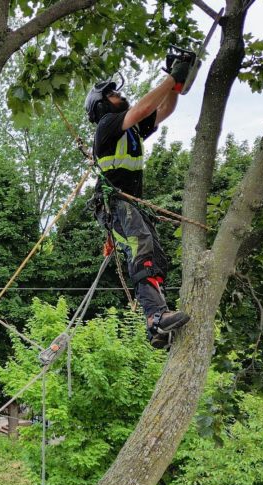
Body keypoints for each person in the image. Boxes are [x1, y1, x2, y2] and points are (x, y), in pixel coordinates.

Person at [85, 61, 192, 348]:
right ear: (101, 106)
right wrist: (170, 78)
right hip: (114, 203)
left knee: (154, 255)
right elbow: (143, 109)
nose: (120, 97)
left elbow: (163, 110)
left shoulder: (130, 131)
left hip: (131, 204)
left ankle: (157, 328)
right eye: (113, 95)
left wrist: (176, 85)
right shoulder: (107, 126)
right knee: (141, 245)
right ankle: (155, 316)